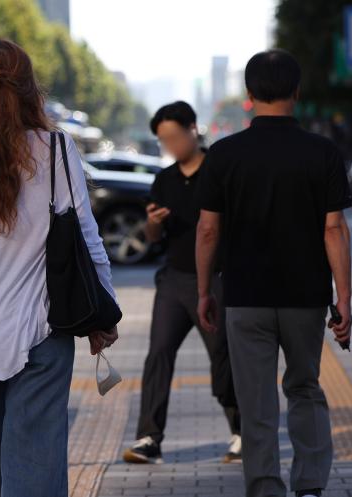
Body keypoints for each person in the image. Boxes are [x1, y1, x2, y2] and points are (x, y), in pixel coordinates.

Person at [0, 38, 119, 497]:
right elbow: (87, 237)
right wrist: (104, 311)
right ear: (30, 89)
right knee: (35, 473)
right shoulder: (54, 149)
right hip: (43, 334)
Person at [196, 49, 352, 497]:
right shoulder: (323, 153)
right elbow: (334, 228)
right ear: (297, 92)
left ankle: (265, 487)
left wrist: (204, 291)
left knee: (257, 400)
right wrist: (343, 297)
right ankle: (310, 486)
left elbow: (208, 231)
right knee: (305, 387)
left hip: (245, 296)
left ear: (249, 95)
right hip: (306, 295)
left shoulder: (224, 155)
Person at [122, 101, 241, 465]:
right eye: (163, 139)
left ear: (193, 128)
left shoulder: (219, 173)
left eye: (174, 135)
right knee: (158, 353)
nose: (170, 144)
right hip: (174, 280)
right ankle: (149, 438)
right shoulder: (164, 179)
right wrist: (153, 223)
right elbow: (153, 235)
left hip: (218, 279)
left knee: (223, 357)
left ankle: (242, 431)